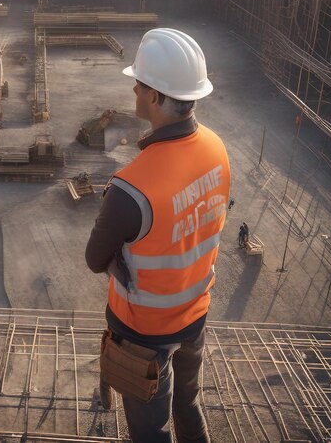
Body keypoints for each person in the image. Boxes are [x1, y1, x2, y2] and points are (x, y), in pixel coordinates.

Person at [86, 28, 231, 443]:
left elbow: (96, 259)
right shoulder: (218, 149)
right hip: (195, 312)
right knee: (187, 405)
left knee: (151, 430)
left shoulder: (131, 189)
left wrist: (116, 257)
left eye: (139, 83)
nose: (133, 88)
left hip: (143, 332)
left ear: (153, 97)